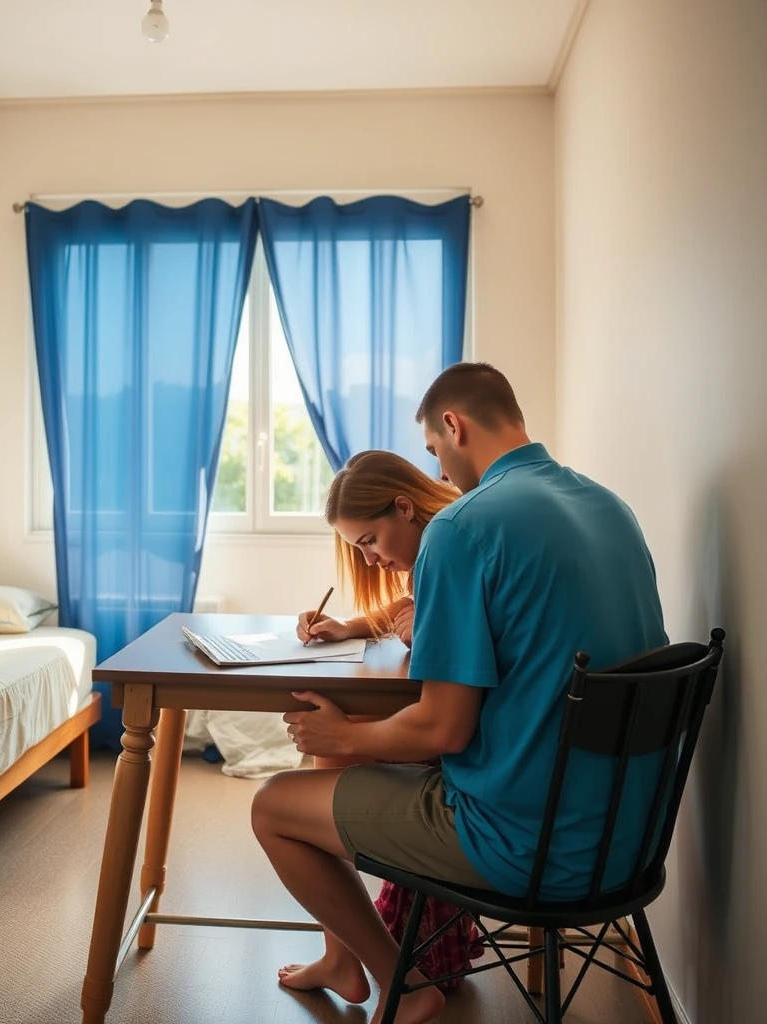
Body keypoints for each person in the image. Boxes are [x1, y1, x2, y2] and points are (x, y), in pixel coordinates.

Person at [250, 362, 668, 1024]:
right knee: (343, 747)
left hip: (530, 845)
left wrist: (345, 736)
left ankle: (403, 983)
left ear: (454, 426)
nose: (441, 471)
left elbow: (444, 731)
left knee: (272, 806)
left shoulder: (462, 528)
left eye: (435, 451)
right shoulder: (607, 506)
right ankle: (340, 959)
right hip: (629, 834)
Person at [282, 452, 481, 1003]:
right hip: (496, 747)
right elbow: (405, 606)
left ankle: (346, 958)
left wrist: (426, 633)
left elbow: (439, 642)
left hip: (478, 758)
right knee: (335, 746)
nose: (368, 560)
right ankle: (341, 957)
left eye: (369, 541)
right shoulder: (440, 540)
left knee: (326, 756)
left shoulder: (454, 542)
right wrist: (347, 624)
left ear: (403, 506)